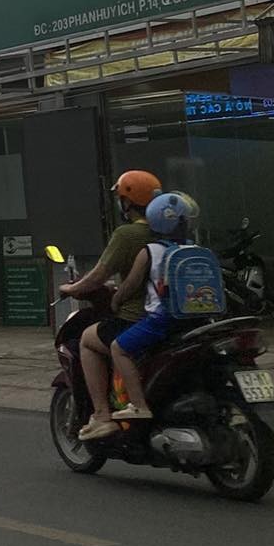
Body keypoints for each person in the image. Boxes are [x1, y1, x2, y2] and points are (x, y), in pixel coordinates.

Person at [81, 190, 199, 440]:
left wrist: (116, 299)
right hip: (194, 320)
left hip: (162, 320)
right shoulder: (194, 248)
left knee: (119, 348)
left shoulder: (150, 251)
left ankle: (138, 405)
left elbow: (131, 284)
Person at [58, 169, 162, 420]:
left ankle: (102, 414)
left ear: (127, 202)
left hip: (136, 317)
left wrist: (71, 288)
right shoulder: (167, 235)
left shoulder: (128, 234)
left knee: (87, 339)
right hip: (169, 315)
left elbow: (97, 276)